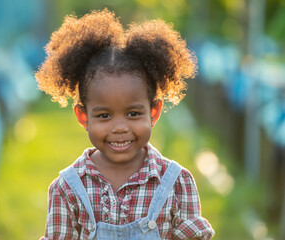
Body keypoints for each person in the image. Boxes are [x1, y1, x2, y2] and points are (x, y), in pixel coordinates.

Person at [35, 8, 215, 240]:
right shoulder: (68, 187)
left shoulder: (176, 182)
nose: (119, 128)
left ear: (154, 112)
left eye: (132, 114)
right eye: (104, 116)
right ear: (83, 117)